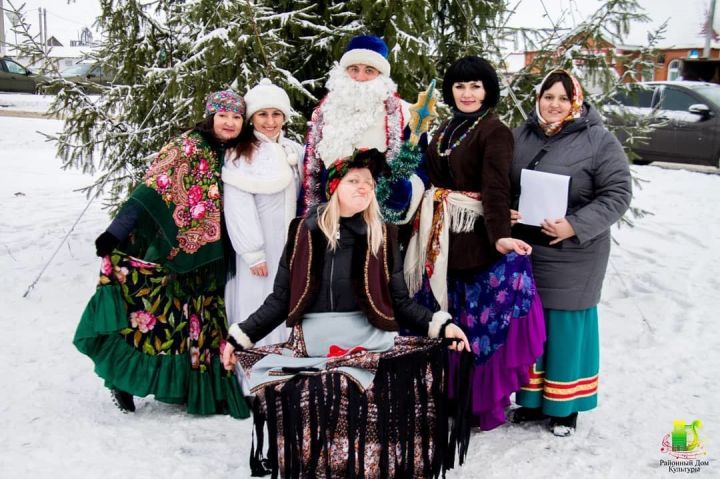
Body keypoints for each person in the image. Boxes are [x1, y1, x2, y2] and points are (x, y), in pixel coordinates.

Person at [222, 149, 471, 478]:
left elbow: (401, 302)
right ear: (334, 187)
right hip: (313, 347)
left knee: (369, 422)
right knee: (316, 426)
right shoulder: (303, 233)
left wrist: (442, 326)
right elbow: (280, 300)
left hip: (369, 345)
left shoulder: (383, 235)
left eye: (368, 183)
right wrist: (239, 337)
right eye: (354, 181)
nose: (363, 188)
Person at [73, 90, 249, 419]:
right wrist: (116, 231)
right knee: (155, 321)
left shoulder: (232, 152)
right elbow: (151, 190)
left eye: (236, 117)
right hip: (172, 254)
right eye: (222, 115)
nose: (229, 122)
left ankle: (192, 388)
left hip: (209, 257)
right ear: (211, 116)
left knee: (193, 326)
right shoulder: (188, 146)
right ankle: (121, 379)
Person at [404, 56, 546, 430]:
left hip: (475, 241)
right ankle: (448, 396)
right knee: (448, 321)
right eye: (460, 86)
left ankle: (475, 402)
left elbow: (496, 188)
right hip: (439, 240)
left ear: (488, 90)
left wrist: (501, 237)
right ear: (450, 90)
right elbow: (432, 177)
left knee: (475, 330)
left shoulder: (494, 130)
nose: (467, 94)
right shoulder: (446, 127)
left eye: (476, 86)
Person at [508, 69, 631, 436]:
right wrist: (509, 210)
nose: (555, 104)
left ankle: (565, 407)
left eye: (563, 98)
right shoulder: (522, 136)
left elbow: (617, 194)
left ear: (575, 101)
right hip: (529, 250)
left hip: (576, 253)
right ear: (538, 99)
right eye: (548, 96)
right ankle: (531, 402)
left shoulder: (599, 140)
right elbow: (505, 182)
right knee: (532, 327)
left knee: (564, 330)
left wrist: (574, 225)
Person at [302, 34, 426, 224]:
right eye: (354, 69)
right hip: (328, 218)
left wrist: (400, 191)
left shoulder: (407, 115)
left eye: (369, 70)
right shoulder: (325, 113)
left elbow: (419, 168)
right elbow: (311, 169)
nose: (360, 77)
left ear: (381, 76)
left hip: (377, 219)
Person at [223, 78, 303, 350]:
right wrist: (252, 251)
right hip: (260, 249)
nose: (270, 121)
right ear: (252, 118)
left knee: (284, 304)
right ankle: (252, 373)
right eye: (262, 114)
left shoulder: (293, 149)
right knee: (257, 305)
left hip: (288, 245)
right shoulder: (241, 152)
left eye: (276, 114)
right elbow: (237, 205)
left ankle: (281, 372)